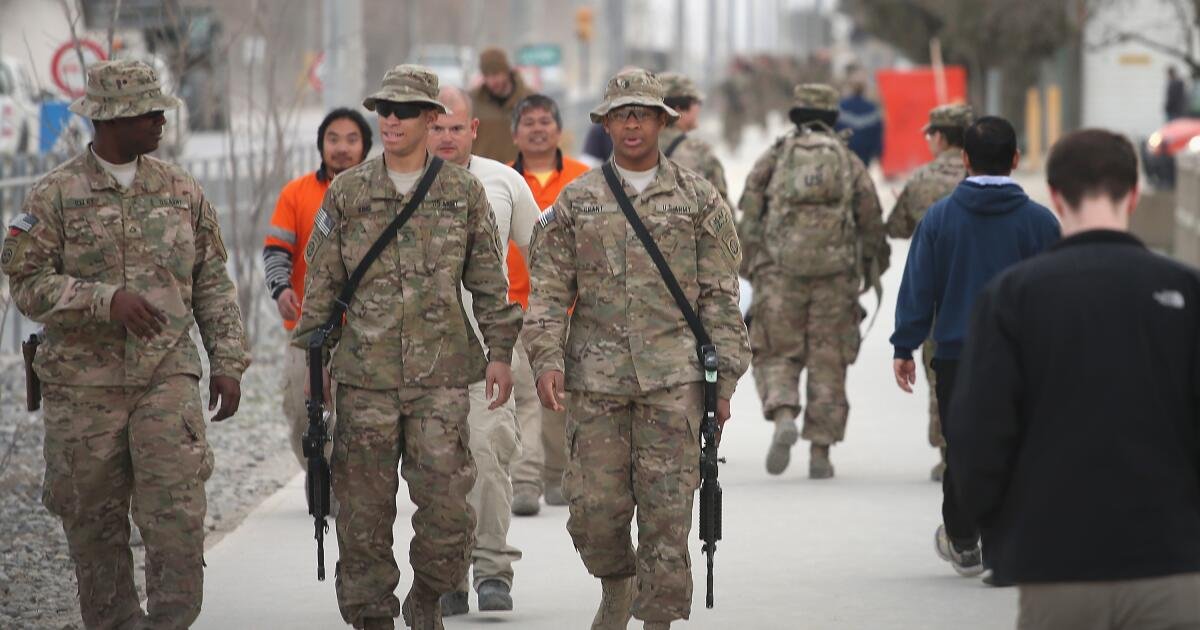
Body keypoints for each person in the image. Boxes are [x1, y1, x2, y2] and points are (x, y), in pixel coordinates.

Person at [1, 59, 248, 629]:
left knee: (177, 517)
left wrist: (228, 360)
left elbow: (212, 280)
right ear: (110, 120)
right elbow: (26, 284)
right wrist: (102, 300)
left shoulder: (181, 190)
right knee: (93, 523)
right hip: (82, 389)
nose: (161, 121)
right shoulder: (54, 195)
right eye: (148, 113)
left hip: (166, 375)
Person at [293, 64, 522, 630]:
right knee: (363, 515)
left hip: (441, 380)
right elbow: (321, 283)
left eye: (404, 111)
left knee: (448, 512)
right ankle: (372, 615)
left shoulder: (462, 193)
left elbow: (489, 282)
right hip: (364, 380)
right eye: (384, 110)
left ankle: (426, 603)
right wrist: (314, 367)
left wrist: (499, 352)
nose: (391, 120)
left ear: (430, 119)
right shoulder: (347, 193)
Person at [521, 68, 750, 630]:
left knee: (668, 515)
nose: (630, 124)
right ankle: (617, 582)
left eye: (642, 114)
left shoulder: (698, 199)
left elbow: (721, 297)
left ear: (661, 122)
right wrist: (546, 357)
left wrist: (724, 384)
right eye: (620, 115)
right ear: (604, 124)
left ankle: (658, 620)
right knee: (594, 512)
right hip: (595, 383)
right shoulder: (577, 201)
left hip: (674, 382)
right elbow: (548, 290)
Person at [950, 128, 1200, 629]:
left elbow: (977, 434)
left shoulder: (1013, 296)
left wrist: (1003, 535)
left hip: (1056, 564)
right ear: (1134, 194)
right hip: (1173, 562)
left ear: (1056, 197)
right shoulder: (1184, 290)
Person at [890, 116, 1060, 579]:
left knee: (962, 447)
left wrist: (905, 344)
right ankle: (1007, 538)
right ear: (1016, 159)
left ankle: (964, 539)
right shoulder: (1041, 223)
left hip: (956, 354)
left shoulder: (940, 218)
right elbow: (1057, 291)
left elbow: (919, 287)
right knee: (1019, 444)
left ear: (964, 159)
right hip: (1022, 356)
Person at [736, 83, 890, 479]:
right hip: (835, 279)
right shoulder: (848, 160)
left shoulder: (774, 157)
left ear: (796, 117)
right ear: (833, 118)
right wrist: (870, 266)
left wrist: (750, 267)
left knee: (775, 352)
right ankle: (820, 452)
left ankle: (784, 414)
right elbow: (871, 220)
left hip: (779, 274)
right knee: (828, 360)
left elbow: (749, 217)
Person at [427, 85, 539, 617]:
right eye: (437, 127)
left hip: (487, 352)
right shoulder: (396, 186)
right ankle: (446, 572)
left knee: (489, 455)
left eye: (456, 127)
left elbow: (542, 256)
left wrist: (546, 329)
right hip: (418, 359)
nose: (446, 137)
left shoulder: (504, 183)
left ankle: (492, 567)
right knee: (436, 470)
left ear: (473, 129)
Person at [263, 107, 371, 470]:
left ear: (365, 145)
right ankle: (317, 476)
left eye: (352, 139)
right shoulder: (296, 193)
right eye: (333, 139)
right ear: (321, 144)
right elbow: (276, 250)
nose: (342, 147)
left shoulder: (380, 194)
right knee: (301, 413)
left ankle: (345, 484)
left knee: (355, 421)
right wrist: (280, 289)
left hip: (364, 329)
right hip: (306, 328)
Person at [506, 93, 590, 516]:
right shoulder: (502, 181)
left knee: (560, 396)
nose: (537, 129)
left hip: (567, 308)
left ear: (559, 130)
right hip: (515, 305)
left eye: (545, 121)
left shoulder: (583, 180)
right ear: (515, 134)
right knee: (523, 393)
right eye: (529, 122)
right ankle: (525, 481)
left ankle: (558, 476)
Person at [884, 103, 972, 482]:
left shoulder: (922, 178)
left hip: (938, 293)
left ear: (939, 137)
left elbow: (898, 228)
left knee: (941, 374)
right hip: (985, 288)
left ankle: (948, 453)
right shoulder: (980, 173)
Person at [657, 71, 730, 202]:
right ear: (678, 109)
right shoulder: (699, 152)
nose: (699, 108)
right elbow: (722, 207)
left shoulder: (632, 146)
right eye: (698, 102)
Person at [470, 48, 531, 163]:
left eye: (496, 74)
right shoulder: (472, 102)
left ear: (507, 72)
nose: (491, 81)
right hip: (484, 171)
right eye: (486, 75)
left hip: (519, 170)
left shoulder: (529, 100)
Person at [835, 78, 883, 167]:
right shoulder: (872, 109)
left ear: (851, 88)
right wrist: (878, 152)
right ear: (863, 90)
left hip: (846, 151)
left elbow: (835, 129)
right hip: (865, 153)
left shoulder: (842, 107)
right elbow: (877, 133)